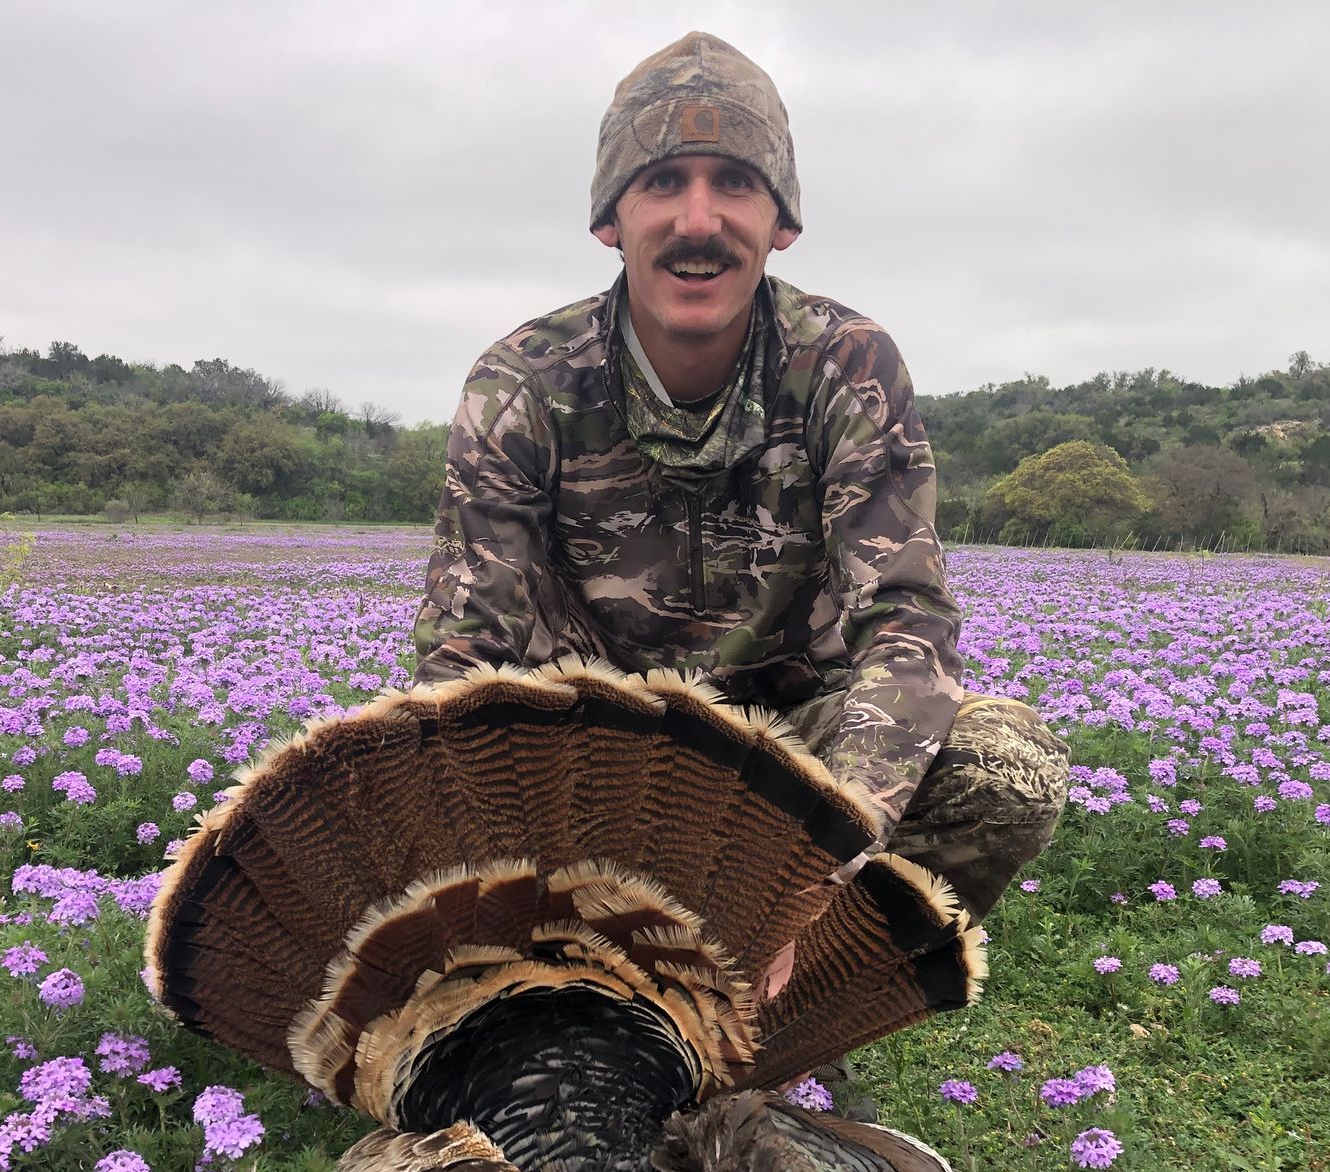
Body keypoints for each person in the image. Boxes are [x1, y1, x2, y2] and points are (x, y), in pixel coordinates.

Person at [411, 32, 1068, 986]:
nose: (698, 220)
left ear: (783, 221)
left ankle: (795, 1023)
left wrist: (807, 870)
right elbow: (464, 659)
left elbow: (908, 625)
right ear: (610, 217)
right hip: (589, 766)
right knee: (409, 783)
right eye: (663, 182)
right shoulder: (522, 383)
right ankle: (567, 1004)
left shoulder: (849, 365)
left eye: (736, 184)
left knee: (1006, 768)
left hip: (793, 768)